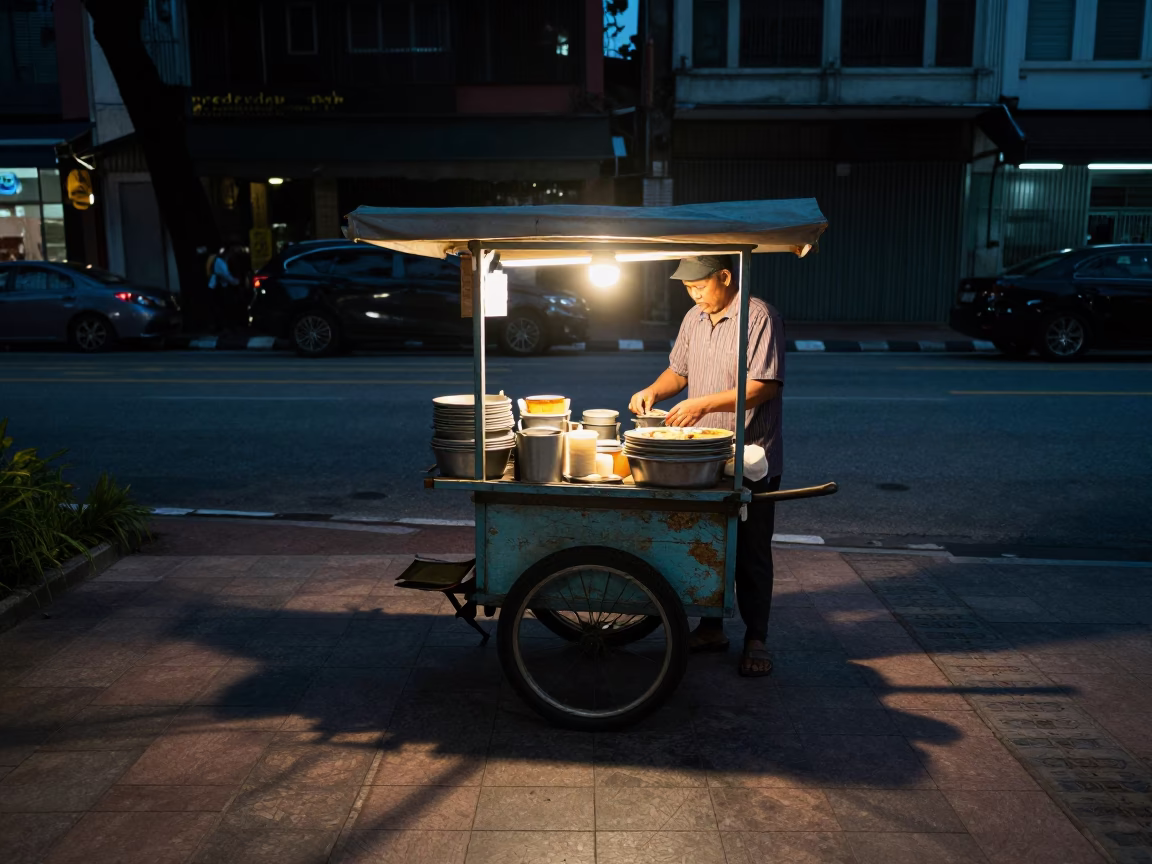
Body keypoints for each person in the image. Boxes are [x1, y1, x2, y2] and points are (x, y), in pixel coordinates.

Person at [628, 255, 785, 677]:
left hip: (751, 456)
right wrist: (653, 391)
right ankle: (711, 627)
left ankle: (757, 636)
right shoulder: (694, 318)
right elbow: (678, 372)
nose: (695, 296)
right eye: (688, 290)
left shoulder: (759, 317)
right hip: (701, 455)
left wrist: (700, 405)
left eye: (700, 287)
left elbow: (763, 387)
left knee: (751, 550)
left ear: (725, 276)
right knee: (705, 543)